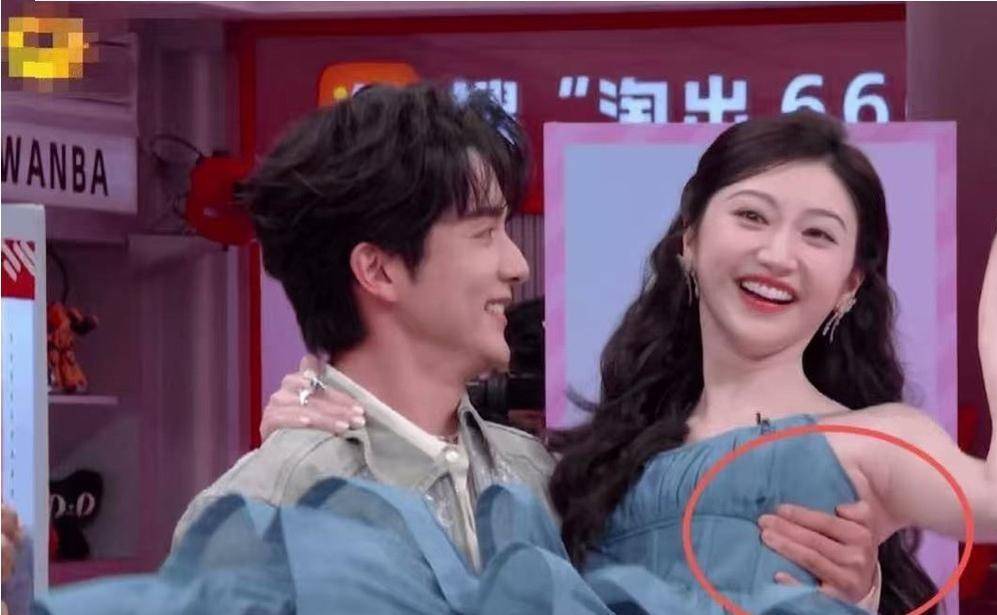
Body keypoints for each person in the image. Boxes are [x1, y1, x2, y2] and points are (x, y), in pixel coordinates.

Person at [34, 87, 880, 613]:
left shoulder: (538, 476)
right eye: (484, 233)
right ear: (378, 269)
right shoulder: (270, 504)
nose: (517, 265)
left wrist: (850, 593)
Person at [260, 111, 997, 613]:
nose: (777, 253)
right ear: (689, 238)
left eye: (818, 234)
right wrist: (325, 417)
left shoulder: (869, 438)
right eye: (750, 216)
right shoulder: (579, 466)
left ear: (850, 283)